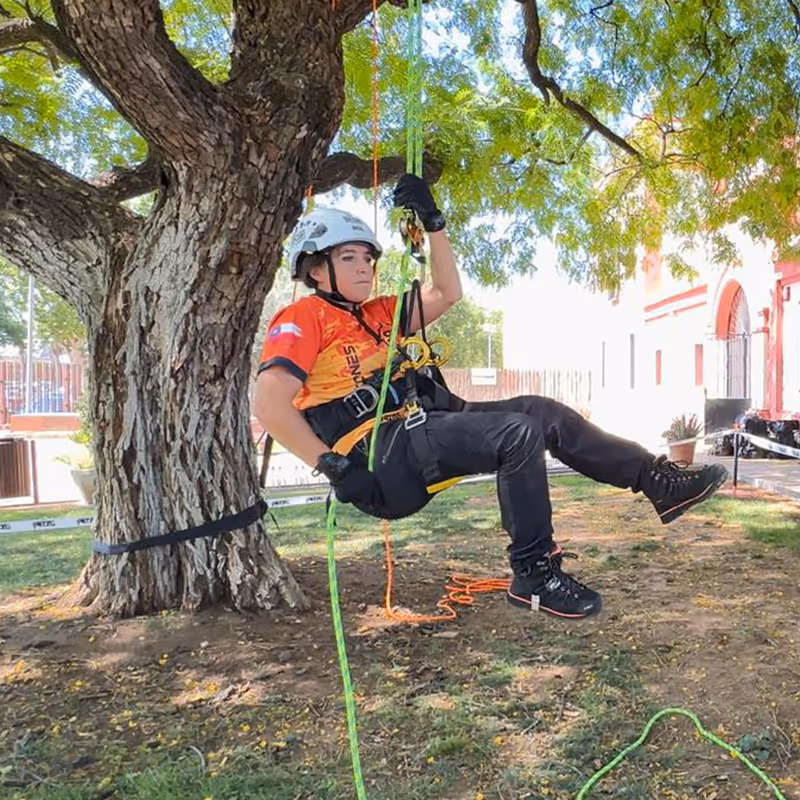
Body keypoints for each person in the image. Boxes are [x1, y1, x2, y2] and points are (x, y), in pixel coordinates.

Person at [252, 175, 728, 619]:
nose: (365, 268)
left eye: (368, 258)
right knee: (516, 433)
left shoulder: (378, 314)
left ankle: (657, 482)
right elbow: (270, 405)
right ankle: (534, 574)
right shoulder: (301, 318)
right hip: (378, 461)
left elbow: (447, 291)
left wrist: (434, 224)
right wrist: (334, 467)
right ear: (315, 269)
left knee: (542, 414)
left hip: (418, 431)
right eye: (349, 258)